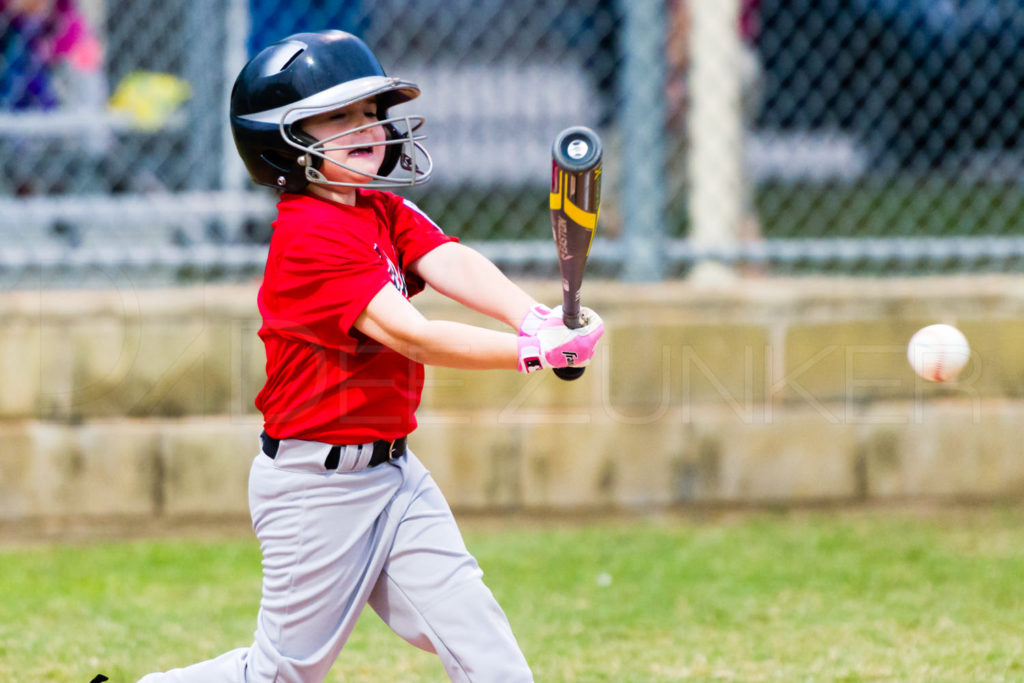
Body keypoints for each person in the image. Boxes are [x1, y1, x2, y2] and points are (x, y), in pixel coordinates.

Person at [139, 30, 603, 683]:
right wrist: (530, 352)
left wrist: (534, 316)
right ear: (284, 140)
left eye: (367, 113)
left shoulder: (377, 208)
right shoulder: (308, 237)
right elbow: (411, 335)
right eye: (337, 116)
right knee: (279, 674)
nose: (365, 127)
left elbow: (451, 262)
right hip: (315, 487)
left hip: (394, 473)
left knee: (483, 644)